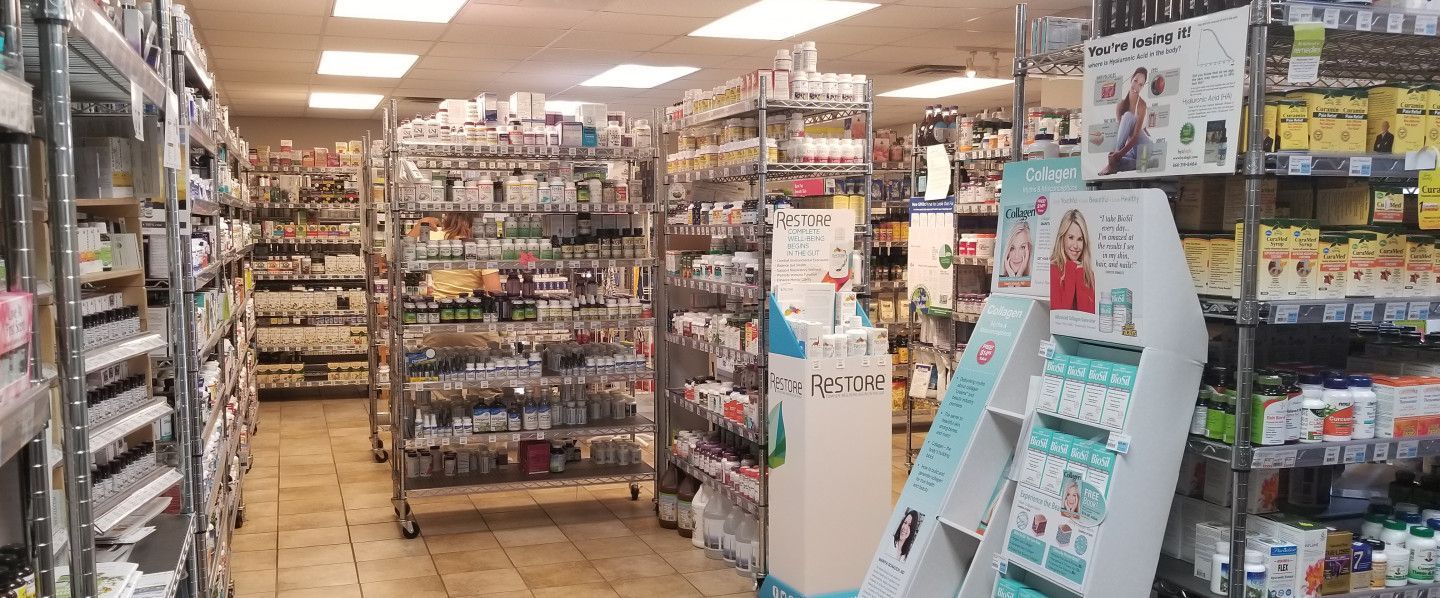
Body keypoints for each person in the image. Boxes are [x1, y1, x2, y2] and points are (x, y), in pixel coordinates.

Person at [1098, 67, 1152, 175]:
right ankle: (1116, 163)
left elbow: (1136, 137)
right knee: (1118, 163)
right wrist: (1116, 156)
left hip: (1145, 149)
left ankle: (1114, 162)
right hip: (1133, 153)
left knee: (1128, 116)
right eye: (1135, 81)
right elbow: (1121, 134)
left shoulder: (1141, 105)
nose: (1136, 86)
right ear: (1131, 79)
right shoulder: (1120, 105)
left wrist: (1118, 154)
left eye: (1140, 84)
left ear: (1142, 87)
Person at [1049, 209, 1096, 313]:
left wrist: (1079, 273)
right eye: (1071, 237)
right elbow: (1060, 313)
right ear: (1062, 238)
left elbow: (1087, 315)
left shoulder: (1088, 273)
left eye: (1080, 239)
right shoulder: (1052, 270)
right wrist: (1071, 267)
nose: (1075, 246)